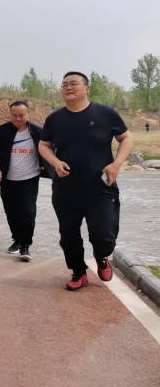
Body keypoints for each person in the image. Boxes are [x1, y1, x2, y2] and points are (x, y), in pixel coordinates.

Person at [39, 72, 133, 291]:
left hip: (100, 187)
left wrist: (116, 164)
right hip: (66, 188)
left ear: (87, 88)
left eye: (74, 83)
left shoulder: (105, 113)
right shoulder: (55, 119)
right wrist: (55, 162)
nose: (68, 87)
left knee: (103, 234)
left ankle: (101, 256)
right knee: (68, 235)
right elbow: (43, 145)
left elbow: (126, 137)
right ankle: (78, 271)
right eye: (64, 84)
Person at [0, 101, 54, 262]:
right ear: (10, 114)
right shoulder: (0, 132)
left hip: (30, 179)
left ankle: (25, 245)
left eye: (21, 115)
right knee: (11, 212)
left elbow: (51, 149)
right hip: (7, 180)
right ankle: (17, 239)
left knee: (28, 212)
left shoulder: (38, 132)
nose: (18, 118)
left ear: (28, 114)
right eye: (14, 115)